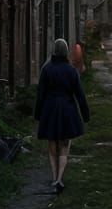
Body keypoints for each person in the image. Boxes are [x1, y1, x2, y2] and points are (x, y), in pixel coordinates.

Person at [35, 38, 90, 193]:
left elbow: (40, 94)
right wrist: (85, 114)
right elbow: (80, 94)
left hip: (50, 109)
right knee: (65, 145)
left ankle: (54, 178)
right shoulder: (71, 70)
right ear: (66, 52)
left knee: (52, 144)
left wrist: (38, 114)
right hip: (67, 108)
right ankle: (60, 179)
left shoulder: (46, 70)